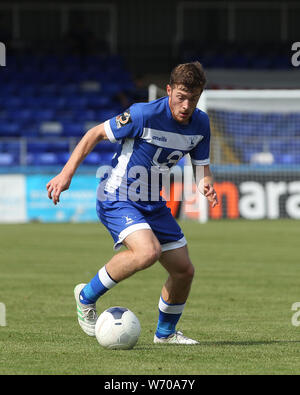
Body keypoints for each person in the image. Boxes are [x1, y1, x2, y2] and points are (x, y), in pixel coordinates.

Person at [46, 61, 218, 344]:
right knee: (147, 252)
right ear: (169, 90)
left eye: (193, 98)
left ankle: (165, 334)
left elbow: (201, 168)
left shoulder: (201, 124)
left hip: (153, 204)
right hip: (118, 196)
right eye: (181, 97)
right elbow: (95, 133)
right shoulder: (143, 114)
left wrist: (206, 185)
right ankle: (85, 296)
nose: (186, 105)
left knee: (183, 271)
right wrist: (66, 174)